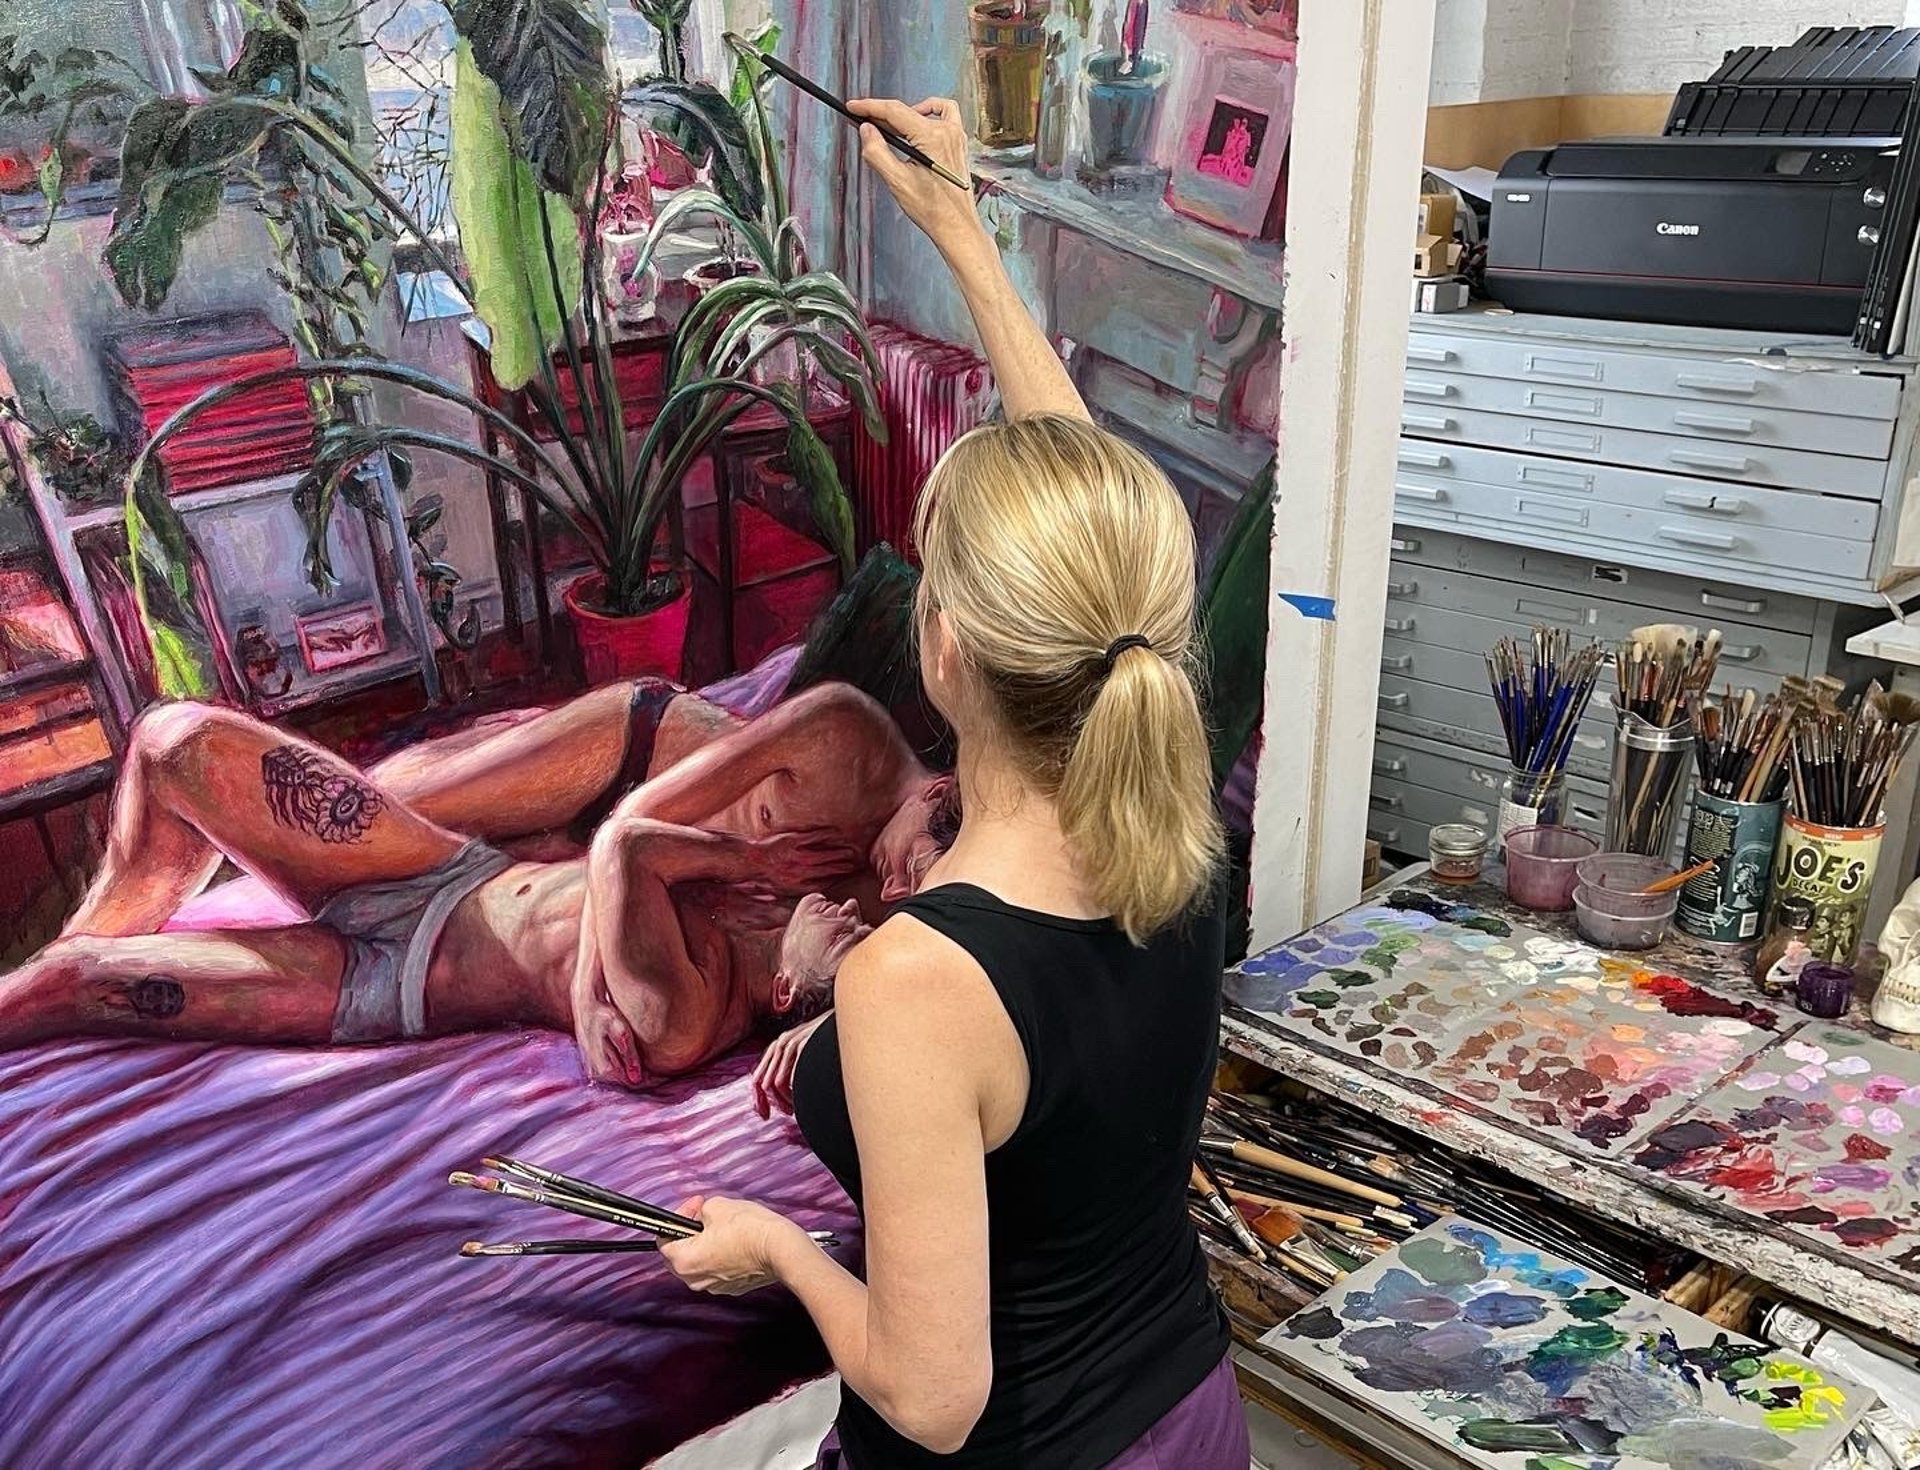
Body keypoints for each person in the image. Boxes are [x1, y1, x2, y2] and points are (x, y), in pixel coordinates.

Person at [658, 98, 1247, 1470]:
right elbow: (1097, 533)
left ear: (947, 648)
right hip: (1188, 1414)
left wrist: (781, 1254)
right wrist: (965, 235)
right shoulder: (1177, 818)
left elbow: (932, 1397)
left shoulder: (920, 979)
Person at [0, 677, 950, 1087]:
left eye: (867, 929)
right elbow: (626, 837)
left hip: (390, 986)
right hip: (453, 873)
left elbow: (628, 856)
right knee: (175, 745)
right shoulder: (828, 837)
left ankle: (67, 958)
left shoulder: (693, 1015)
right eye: (912, 874)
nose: (882, 907)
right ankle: (102, 916)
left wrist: (819, 1022)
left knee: (73, 987)